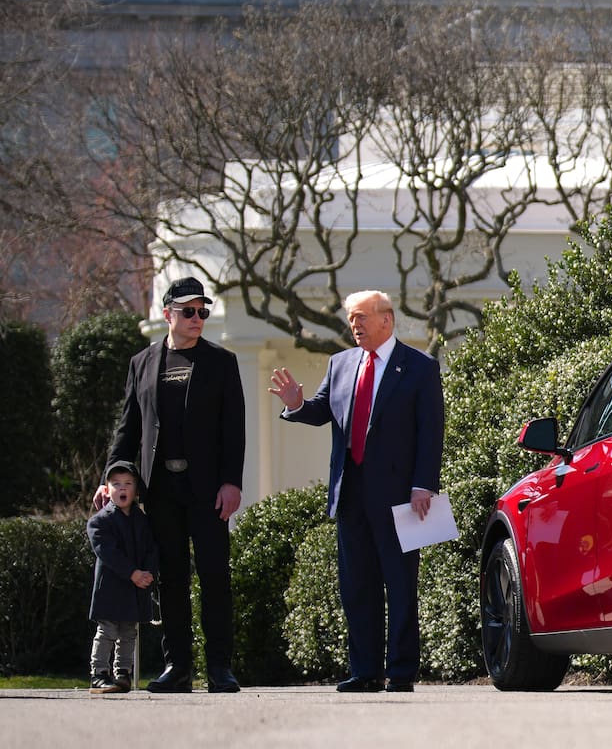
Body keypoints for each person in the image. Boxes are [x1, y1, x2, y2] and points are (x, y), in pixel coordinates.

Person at [268, 290, 444, 693]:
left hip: (402, 497)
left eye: (362, 317)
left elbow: (430, 432)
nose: (355, 325)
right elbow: (322, 409)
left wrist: (423, 486)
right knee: (357, 587)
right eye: (350, 319)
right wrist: (297, 405)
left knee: (400, 585)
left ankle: (400, 671)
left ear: (387, 319)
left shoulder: (419, 367)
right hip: (350, 494)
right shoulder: (341, 363)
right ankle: (364, 671)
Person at [99, 276, 246, 694]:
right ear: (168, 314)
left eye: (203, 311)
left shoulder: (222, 362)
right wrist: (110, 477)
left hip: (208, 490)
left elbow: (234, 431)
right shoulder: (142, 363)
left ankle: (220, 668)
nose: (197, 318)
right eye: (188, 311)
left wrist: (231, 482)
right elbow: (128, 428)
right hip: (159, 487)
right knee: (172, 578)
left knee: (215, 575)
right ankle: (177, 667)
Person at [87, 460, 159, 695]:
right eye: (116, 484)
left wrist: (148, 573)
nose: (122, 488)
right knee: (107, 631)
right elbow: (108, 553)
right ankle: (99, 674)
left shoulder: (143, 521)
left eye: (128, 483)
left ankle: (123, 674)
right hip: (111, 588)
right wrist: (133, 573)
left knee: (129, 633)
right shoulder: (100, 521)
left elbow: (151, 549)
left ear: (136, 491)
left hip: (134, 589)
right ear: (107, 491)